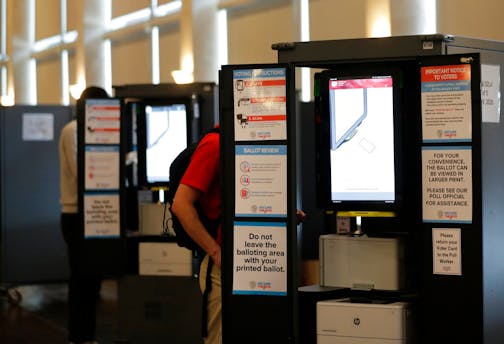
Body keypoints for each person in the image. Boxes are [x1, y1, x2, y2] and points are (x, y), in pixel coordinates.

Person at [171, 128, 306, 344]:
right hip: (222, 267)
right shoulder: (215, 145)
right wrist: (215, 252)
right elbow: (181, 204)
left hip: (255, 260)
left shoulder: (251, 145)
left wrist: (282, 215)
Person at [59, 86, 109, 344]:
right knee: (80, 278)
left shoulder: (91, 131)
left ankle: (86, 336)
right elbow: (85, 174)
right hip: (76, 214)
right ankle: (78, 336)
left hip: (93, 213)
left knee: (90, 279)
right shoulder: (73, 131)